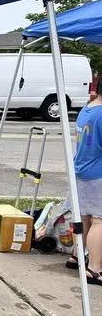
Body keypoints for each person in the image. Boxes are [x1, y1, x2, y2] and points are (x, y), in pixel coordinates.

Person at [68, 76, 102, 285]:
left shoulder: (87, 109)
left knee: (84, 218)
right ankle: (95, 268)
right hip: (98, 173)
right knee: (99, 220)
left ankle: (78, 256)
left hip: (80, 169)